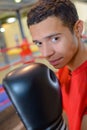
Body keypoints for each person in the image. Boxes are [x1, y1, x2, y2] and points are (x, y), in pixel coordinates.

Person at [27, 0, 87, 130]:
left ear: (78, 29)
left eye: (55, 39)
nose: (46, 53)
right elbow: (68, 116)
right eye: (39, 43)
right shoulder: (64, 69)